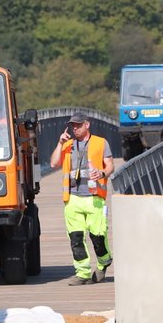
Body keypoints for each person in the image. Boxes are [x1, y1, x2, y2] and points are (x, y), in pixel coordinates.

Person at [49, 112, 114, 285]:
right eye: (73, 125)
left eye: (78, 125)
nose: (75, 128)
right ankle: (82, 273)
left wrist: (101, 173)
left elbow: (110, 166)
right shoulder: (68, 145)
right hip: (73, 198)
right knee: (76, 238)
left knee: (98, 237)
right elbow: (53, 163)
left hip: (94, 197)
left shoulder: (101, 143)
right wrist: (59, 143)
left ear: (87, 124)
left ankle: (103, 262)